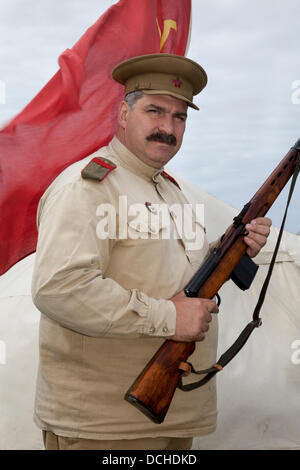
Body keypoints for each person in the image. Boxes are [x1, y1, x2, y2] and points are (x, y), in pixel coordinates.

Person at [31, 53, 272, 450]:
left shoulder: (172, 192)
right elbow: (60, 287)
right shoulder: (89, 185)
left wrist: (231, 250)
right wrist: (167, 317)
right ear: (123, 115)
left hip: (175, 414)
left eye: (179, 117)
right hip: (104, 427)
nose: (168, 128)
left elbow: (178, 278)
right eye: (155, 111)